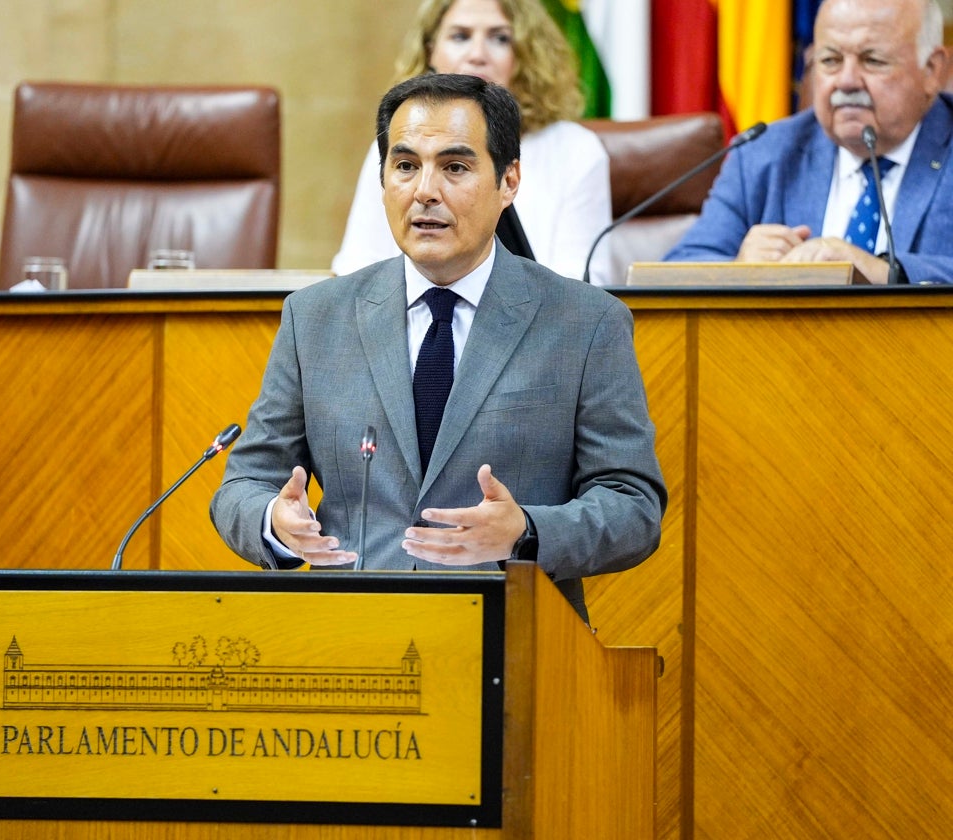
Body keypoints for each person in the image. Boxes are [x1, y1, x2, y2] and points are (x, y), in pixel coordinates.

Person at [210, 73, 665, 624]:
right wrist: (273, 522)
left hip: (517, 638)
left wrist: (527, 530)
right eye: (405, 166)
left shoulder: (586, 323)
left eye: (455, 167)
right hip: (349, 637)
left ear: (509, 181)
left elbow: (633, 505)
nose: (425, 190)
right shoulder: (315, 318)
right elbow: (245, 483)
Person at [665, 0, 953, 285]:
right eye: (830, 60)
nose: (847, 81)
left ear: (932, 70)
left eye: (872, 60)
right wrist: (738, 268)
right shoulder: (762, 154)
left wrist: (886, 272)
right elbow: (674, 272)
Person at [331, 0, 615, 285]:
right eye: (460, 36)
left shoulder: (576, 150)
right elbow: (356, 271)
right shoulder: (399, 142)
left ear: (527, 55)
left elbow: (583, 288)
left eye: (500, 38)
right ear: (430, 50)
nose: (477, 55)